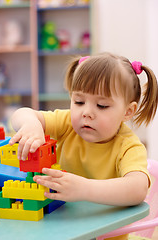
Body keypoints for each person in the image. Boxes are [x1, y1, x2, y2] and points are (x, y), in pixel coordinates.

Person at [9, 52, 158, 240]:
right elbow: (21, 114)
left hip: (105, 236)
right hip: (58, 230)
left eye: (102, 105)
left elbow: (137, 189)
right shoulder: (67, 124)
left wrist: (84, 189)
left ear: (128, 111)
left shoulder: (128, 147)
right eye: (79, 102)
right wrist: (31, 124)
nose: (86, 112)